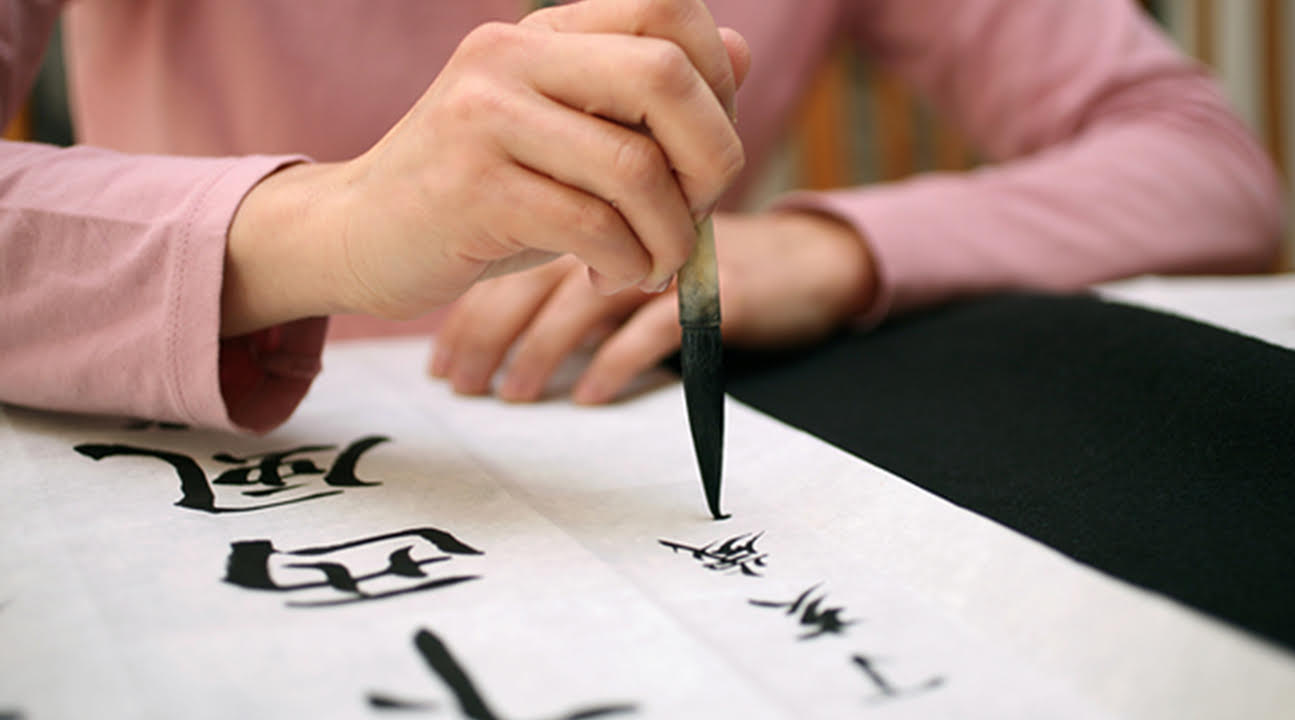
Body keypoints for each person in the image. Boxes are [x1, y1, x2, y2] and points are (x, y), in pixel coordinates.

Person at [0, 0, 1284, 433]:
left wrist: (831, 248)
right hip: (182, 468)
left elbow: (1203, 164)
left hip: (624, 436)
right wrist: (336, 228)